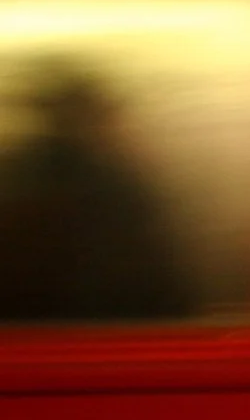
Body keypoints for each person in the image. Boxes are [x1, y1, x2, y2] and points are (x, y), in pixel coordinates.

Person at [0, 63, 196, 322]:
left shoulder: (15, 174)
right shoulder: (115, 183)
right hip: (107, 315)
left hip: (30, 322)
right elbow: (149, 268)